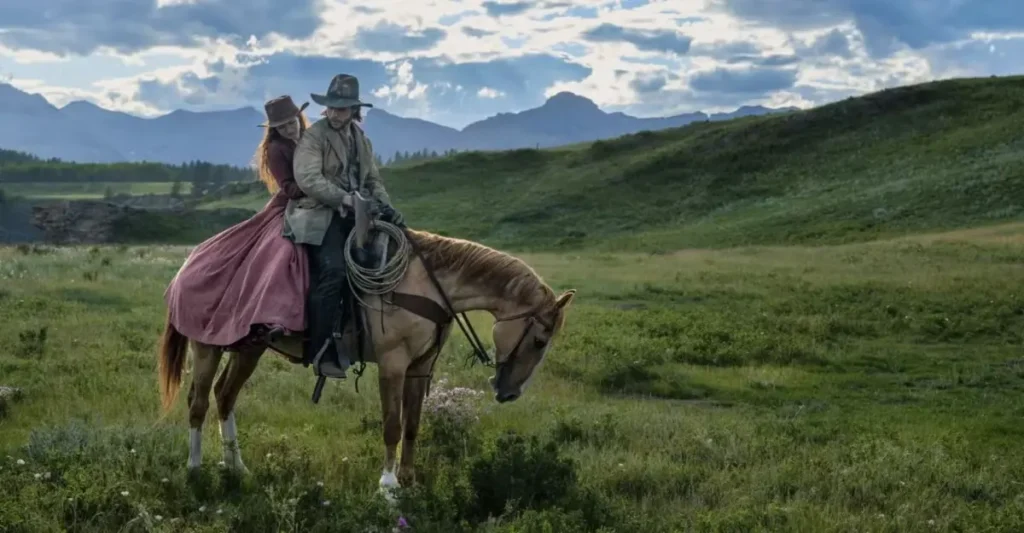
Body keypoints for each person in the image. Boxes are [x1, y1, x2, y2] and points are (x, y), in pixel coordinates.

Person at [164, 95, 312, 349]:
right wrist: (316, 188)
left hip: (315, 205)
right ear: (275, 129)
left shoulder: (309, 141)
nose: (290, 128)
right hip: (288, 207)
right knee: (283, 249)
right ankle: (270, 316)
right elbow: (287, 187)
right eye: (283, 126)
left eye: (292, 122)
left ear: (299, 118)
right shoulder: (276, 150)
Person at [286, 73, 404, 379]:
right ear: (327, 108)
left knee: (388, 263)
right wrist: (346, 199)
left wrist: (386, 206)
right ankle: (320, 350)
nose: (338, 113)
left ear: (354, 110)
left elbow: (373, 180)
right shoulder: (314, 137)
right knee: (334, 271)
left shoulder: (361, 139)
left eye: (345, 108)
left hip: (358, 214)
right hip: (321, 214)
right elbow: (309, 179)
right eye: (334, 108)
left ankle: (372, 338)